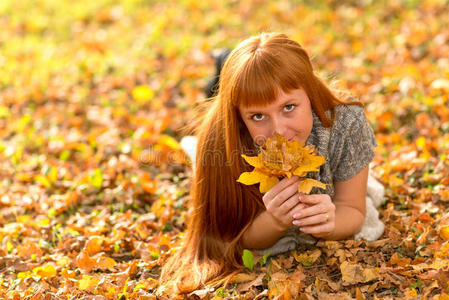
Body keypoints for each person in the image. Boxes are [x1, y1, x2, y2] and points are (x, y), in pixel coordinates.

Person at [159, 32, 385, 294]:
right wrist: (274, 221)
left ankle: (226, 61)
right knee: (199, 143)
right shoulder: (222, 138)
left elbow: (352, 209)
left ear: (310, 94)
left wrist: (332, 224)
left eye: (289, 107)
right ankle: (223, 64)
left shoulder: (346, 124)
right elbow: (230, 236)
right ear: (239, 117)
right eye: (257, 116)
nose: (278, 131)